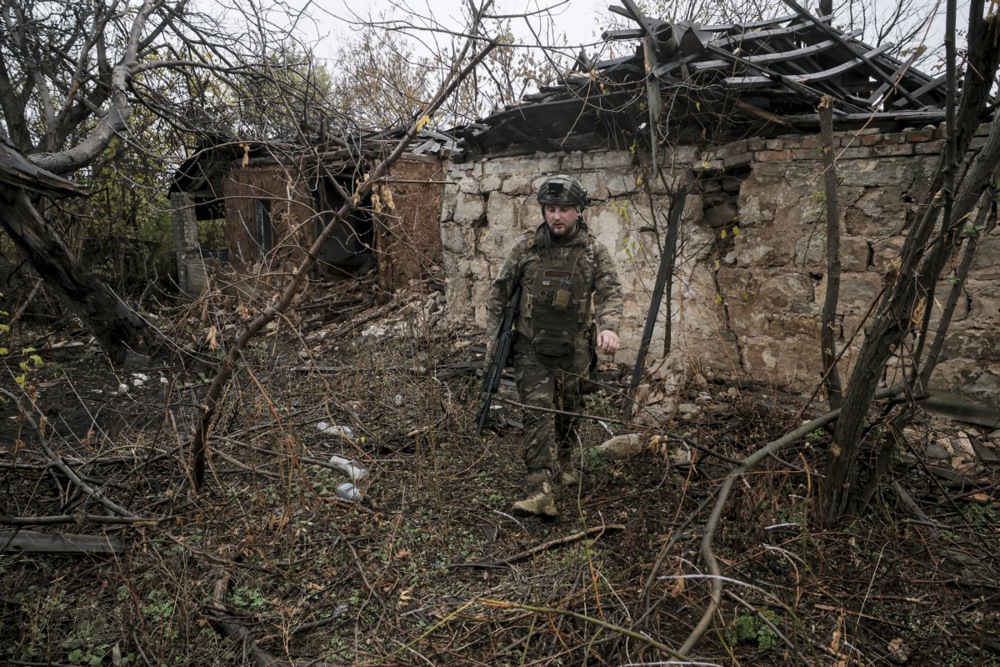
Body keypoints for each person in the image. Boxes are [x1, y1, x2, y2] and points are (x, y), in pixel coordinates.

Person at [486, 174, 623, 518]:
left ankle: (567, 462)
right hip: (531, 347)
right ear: (543, 211)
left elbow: (611, 293)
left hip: (575, 347)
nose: (556, 216)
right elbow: (499, 293)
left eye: (563, 209)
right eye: (550, 209)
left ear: (578, 211)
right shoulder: (526, 249)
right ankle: (541, 490)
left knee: (569, 410)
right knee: (537, 413)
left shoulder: (594, 252)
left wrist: (609, 328)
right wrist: (492, 338)